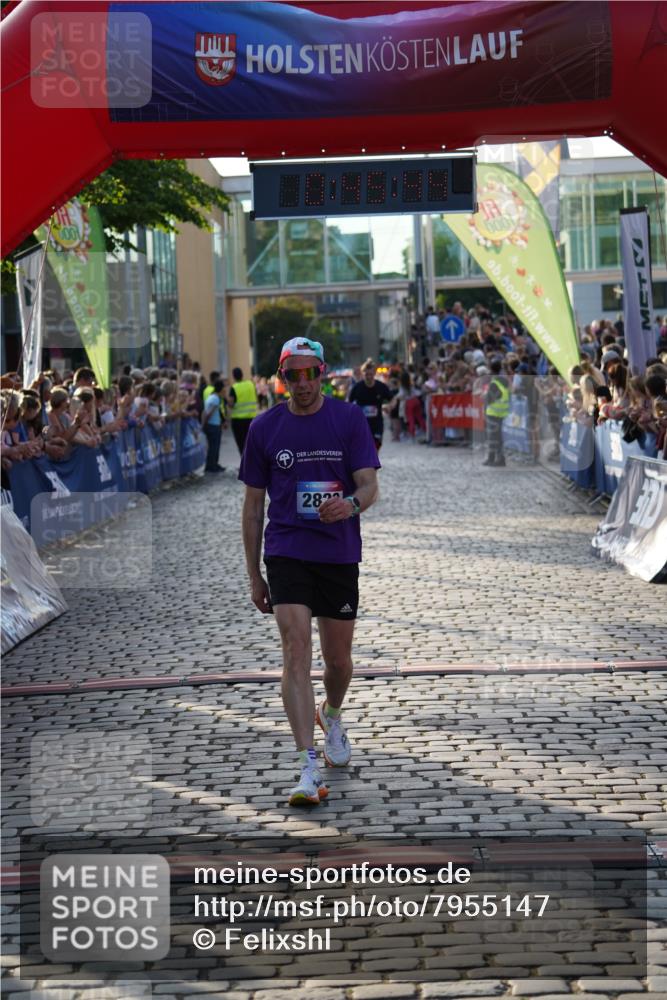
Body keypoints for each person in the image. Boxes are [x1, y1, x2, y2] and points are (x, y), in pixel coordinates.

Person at [239, 337, 380, 807]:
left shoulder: (348, 418)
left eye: (309, 373)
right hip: (287, 551)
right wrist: (254, 574)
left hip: (338, 551)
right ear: (281, 377)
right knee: (295, 649)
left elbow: (369, 484)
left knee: (338, 662)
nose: (301, 383)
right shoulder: (264, 428)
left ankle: (332, 712)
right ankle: (306, 764)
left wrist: (351, 505)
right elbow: (253, 505)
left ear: (323, 372)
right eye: (291, 375)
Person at [348, 358, 393, 449]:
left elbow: (392, 399)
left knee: (376, 447)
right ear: (362, 374)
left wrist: (390, 406)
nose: (369, 377)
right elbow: (349, 403)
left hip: (377, 423)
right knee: (364, 447)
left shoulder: (381, 387)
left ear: (374, 374)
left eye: (371, 374)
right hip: (361, 424)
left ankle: (373, 461)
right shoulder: (357, 388)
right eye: (366, 374)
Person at [483, 358, 510, 466]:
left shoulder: (494, 383)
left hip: (493, 413)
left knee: (493, 437)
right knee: (497, 437)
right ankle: (496, 458)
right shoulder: (504, 380)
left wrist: (485, 396)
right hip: (502, 412)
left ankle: (494, 458)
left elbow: (491, 398)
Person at [227, 367, 258, 456]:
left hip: (238, 421)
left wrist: (226, 399)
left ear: (234, 376)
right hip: (251, 419)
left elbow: (231, 404)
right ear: (242, 374)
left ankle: (245, 464)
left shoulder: (234, 387)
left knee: (242, 444)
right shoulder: (250, 384)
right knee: (251, 444)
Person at [201, 377, 225, 472]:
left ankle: (212, 464)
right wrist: (205, 423)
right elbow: (209, 413)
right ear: (221, 389)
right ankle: (212, 466)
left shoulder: (211, 397)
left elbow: (204, 411)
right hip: (213, 426)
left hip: (212, 425)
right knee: (214, 447)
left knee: (212, 446)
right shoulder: (216, 399)